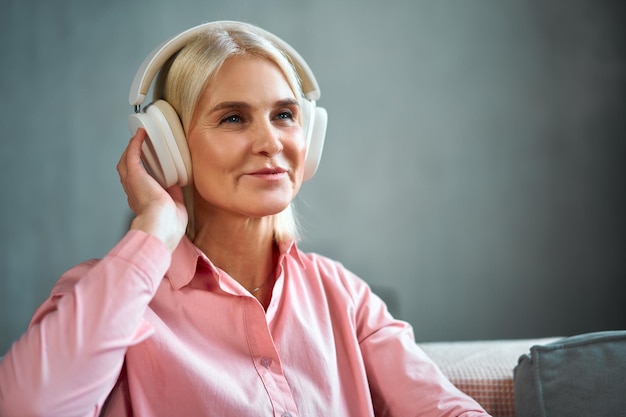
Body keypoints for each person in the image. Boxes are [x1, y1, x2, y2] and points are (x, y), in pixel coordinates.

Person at [0, 21, 491, 417]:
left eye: (284, 115)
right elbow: (28, 407)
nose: (270, 142)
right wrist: (153, 228)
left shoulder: (343, 297)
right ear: (169, 147)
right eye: (233, 118)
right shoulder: (107, 295)